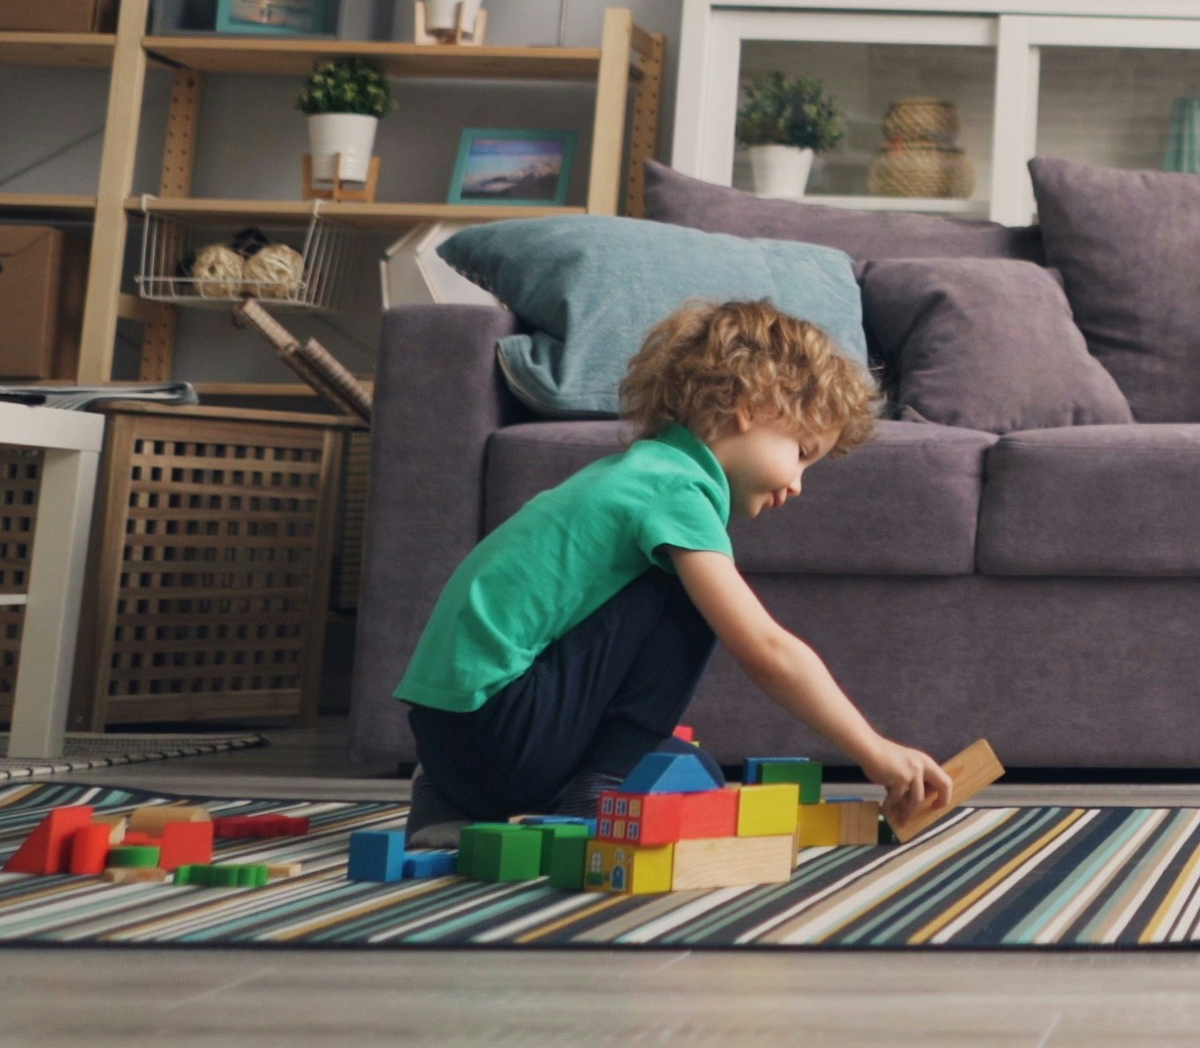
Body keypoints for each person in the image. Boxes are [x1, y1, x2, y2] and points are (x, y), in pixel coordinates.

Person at [394, 298, 956, 843]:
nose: (797, 483)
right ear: (753, 405)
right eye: (802, 450)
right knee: (692, 591)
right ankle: (598, 790)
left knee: (693, 770)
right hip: (503, 736)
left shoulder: (635, 474)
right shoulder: (675, 492)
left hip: (450, 744)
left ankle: (448, 801)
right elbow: (766, 649)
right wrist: (874, 750)